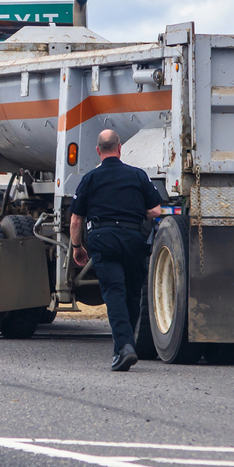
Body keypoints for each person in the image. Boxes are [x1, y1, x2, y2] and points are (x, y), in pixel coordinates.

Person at [69, 130, 162, 371]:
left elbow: (76, 220)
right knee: (132, 294)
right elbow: (155, 211)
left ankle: (124, 347)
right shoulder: (138, 175)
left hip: (104, 238)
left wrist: (77, 247)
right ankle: (123, 346)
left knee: (114, 292)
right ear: (120, 148)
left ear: (98, 151)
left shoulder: (90, 179)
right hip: (133, 239)